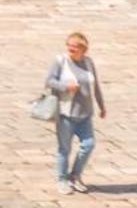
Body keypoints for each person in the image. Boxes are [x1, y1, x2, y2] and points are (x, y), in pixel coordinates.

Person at [44, 31, 106, 194]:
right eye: (69, 46)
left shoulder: (88, 63)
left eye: (74, 47)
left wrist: (101, 105)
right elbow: (49, 81)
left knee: (88, 144)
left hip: (85, 114)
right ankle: (62, 179)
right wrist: (65, 86)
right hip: (66, 113)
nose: (70, 50)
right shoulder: (60, 61)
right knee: (64, 148)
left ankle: (75, 175)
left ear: (83, 49)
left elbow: (96, 85)